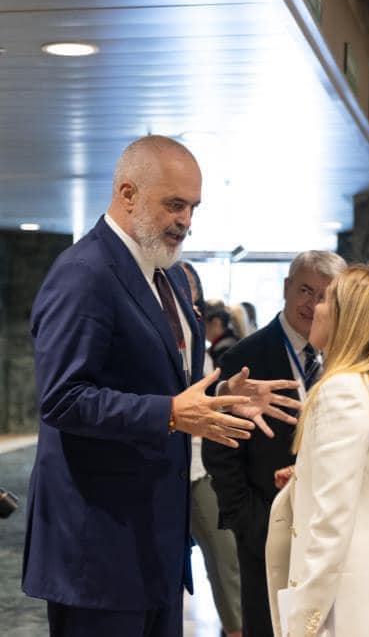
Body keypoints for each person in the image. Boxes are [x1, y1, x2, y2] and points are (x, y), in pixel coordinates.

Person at [23, 135, 299, 637]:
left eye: (193, 207)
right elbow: (62, 399)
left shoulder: (163, 276)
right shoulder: (84, 274)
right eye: (174, 204)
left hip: (153, 542)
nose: (185, 220)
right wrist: (170, 414)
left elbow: (157, 384)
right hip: (98, 548)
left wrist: (219, 400)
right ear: (127, 193)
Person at [265, 265, 369, 636]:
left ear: (350, 319)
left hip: (353, 608)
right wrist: (305, 478)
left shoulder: (340, 392)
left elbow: (332, 524)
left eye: (327, 299)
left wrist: (303, 623)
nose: (316, 308)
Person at [203, 250, 346, 637]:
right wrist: (252, 524)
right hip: (267, 528)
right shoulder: (244, 357)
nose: (312, 304)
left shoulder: (345, 356)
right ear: (286, 288)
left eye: (325, 295)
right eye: (305, 290)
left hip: (332, 530)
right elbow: (219, 449)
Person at [179, 261, 243, 637]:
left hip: (197, 467)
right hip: (156, 472)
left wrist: (225, 393)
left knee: (225, 556)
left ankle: (236, 628)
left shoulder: (199, 348)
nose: (188, 305)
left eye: (193, 297)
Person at [204, 301, 240, 368]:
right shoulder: (231, 342)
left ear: (215, 323)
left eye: (204, 324)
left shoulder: (225, 348)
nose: (202, 330)